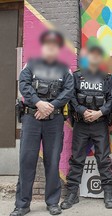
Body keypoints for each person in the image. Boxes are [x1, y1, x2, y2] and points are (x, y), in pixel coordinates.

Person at [11, 30, 74, 216]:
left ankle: (52, 202)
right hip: (32, 118)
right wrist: (39, 103)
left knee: (53, 161)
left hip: (53, 120)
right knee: (26, 161)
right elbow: (24, 85)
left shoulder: (65, 69)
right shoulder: (30, 65)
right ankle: (22, 205)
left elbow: (68, 91)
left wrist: (51, 106)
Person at [60, 44, 112, 210]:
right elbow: (71, 97)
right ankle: (72, 194)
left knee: (104, 160)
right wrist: (83, 111)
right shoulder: (77, 76)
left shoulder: (106, 78)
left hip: (99, 124)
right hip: (81, 124)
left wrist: (99, 113)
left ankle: (108, 193)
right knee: (76, 159)